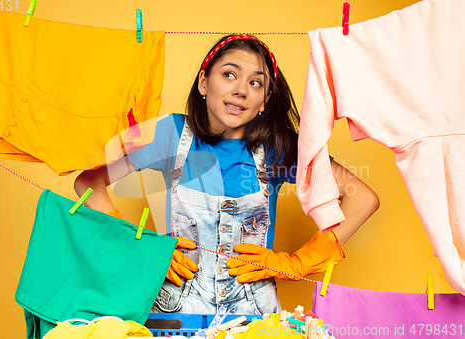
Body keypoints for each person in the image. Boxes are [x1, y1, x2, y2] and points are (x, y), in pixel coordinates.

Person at [74, 34, 380, 315]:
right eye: (229, 74)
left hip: (254, 313)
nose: (241, 90)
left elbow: (363, 199)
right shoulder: (170, 134)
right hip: (175, 309)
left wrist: (298, 263)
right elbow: (88, 181)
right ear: (204, 83)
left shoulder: (276, 147)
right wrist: (139, 249)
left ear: (265, 101)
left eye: (256, 83)